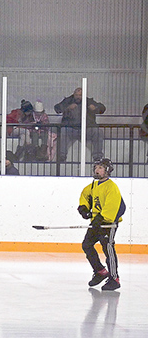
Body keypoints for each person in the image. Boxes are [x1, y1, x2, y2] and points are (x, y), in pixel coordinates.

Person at [77, 157, 125, 291]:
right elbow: (85, 195)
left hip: (108, 225)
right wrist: (83, 207)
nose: (97, 170)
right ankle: (100, 271)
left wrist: (102, 218)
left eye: (100, 168)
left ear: (107, 170)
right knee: (86, 245)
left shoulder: (111, 187)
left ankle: (114, 278)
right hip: (97, 223)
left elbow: (112, 206)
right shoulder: (93, 185)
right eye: (96, 167)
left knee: (108, 248)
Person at [54, 87, 106, 162]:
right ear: (73, 94)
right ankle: (62, 156)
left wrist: (95, 108)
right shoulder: (68, 101)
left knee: (98, 132)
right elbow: (57, 108)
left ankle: (97, 157)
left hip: (87, 129)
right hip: (71, 129)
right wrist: (67, 107)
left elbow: (103, 108)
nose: (78, 97)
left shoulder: (89, 101)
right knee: (63, 131)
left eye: (80, 95)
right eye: (76, 95)